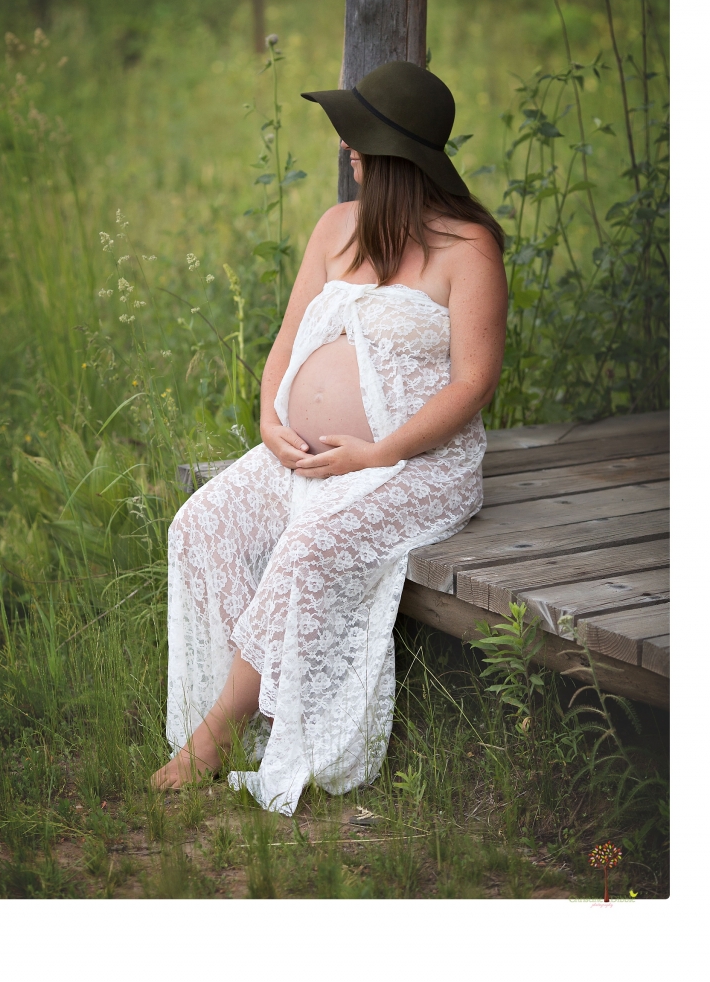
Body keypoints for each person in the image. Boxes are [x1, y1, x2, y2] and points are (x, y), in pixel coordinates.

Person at [151, 60, 507, 815]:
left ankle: (220, 733)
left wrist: (377, 452)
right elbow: (288, 337)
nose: (345, 149)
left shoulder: (467, 247)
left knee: (308, 545)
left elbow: (473, 383)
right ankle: (257, 707)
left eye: (356, 137)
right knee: (201, 524)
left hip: (412, 463)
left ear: (386, 156)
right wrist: (270, 422)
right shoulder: (335, 228)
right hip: (306, 457)